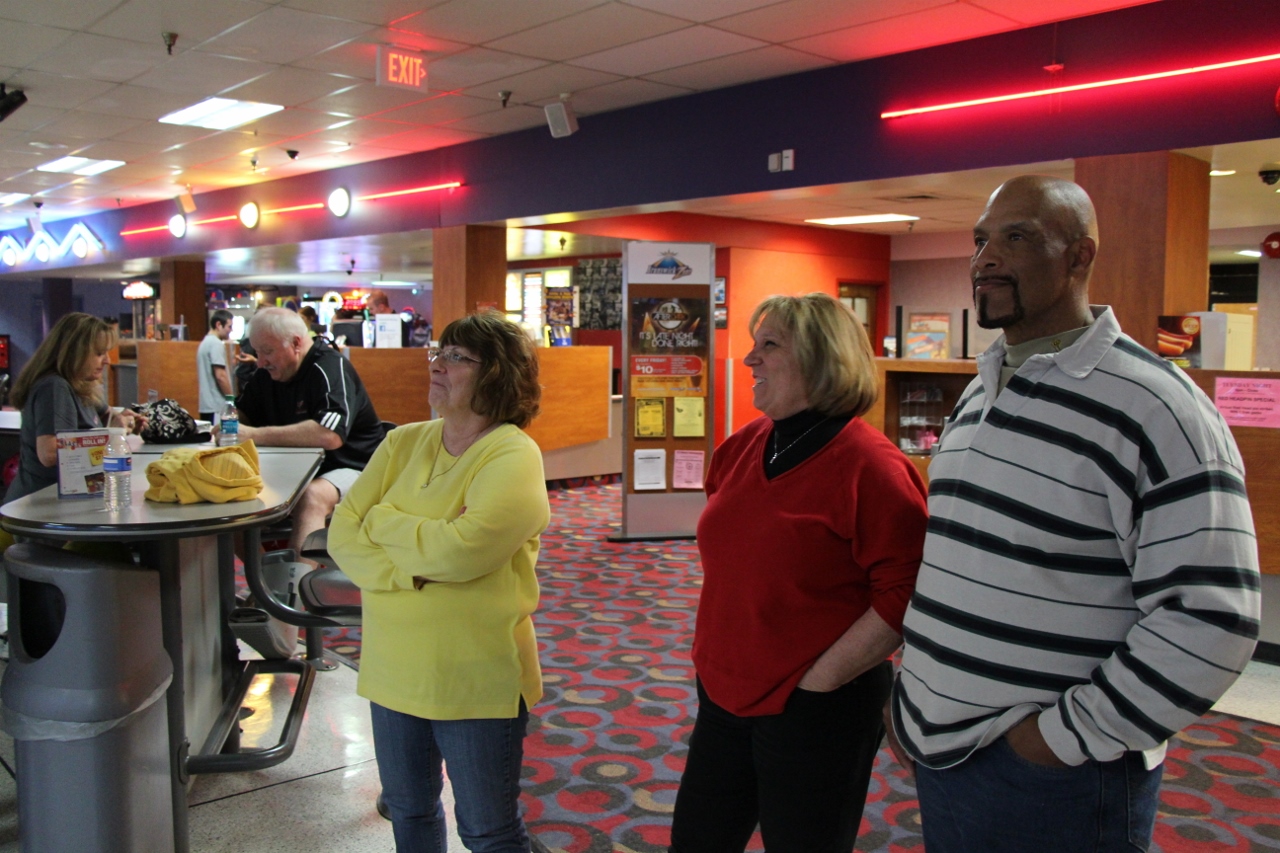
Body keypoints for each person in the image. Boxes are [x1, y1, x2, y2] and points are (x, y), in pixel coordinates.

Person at [888, 176, 1261, 853]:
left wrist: (1055, 741)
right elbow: (959, 562)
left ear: (1080, 257)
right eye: (980, 240)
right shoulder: (980, 394)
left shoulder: (1157, 407)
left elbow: (1213, 617)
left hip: (1056, 777)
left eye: (1017, 237)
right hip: (941, 750)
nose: (985, 259)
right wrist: (913, 691)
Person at [669, 293, 929, 853]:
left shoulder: (875, 469)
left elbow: (905, 592)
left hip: (816, 706)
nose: (749, 360)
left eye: (769, 345)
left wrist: (821, 680)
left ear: (819, 358)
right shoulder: (742, 446)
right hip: (723, 691)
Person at [327, 309, 549, 852]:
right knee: (409, 812)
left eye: (456, 357)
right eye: (438, 353)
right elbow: (343, 534)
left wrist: (382, 521)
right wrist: (409, 572)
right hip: (392, 671)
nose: (438, 365)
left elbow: (462, 550)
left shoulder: (512, 453)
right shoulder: (404, 442)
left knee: (488, 832)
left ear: (496, 374)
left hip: (475, 678)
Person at [233, 307, 384, 561]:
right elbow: (242, 414)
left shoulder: (329, 367)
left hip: (356, 466)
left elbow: (329, 435)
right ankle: (265, 583)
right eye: (257, 353)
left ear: (295, 343)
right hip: (298, 467)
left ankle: (294, 591)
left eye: (267, 351)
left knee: (312, 496)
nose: (260, 362)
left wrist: (253, 435)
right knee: (232, 490)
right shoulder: (265, 374)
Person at [5, 313, 146, 503]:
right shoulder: (55, 387)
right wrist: (115, 433)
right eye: (99, 354)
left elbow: (107, 416)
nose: (107, 361)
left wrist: (125, 420)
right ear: (74, 352)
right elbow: (49, 454)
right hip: (42, 507)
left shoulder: (80, 386)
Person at [197, 309, 234, 421]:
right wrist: (231, 400)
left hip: (206, 406)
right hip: (217, 407)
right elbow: (220, 376)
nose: (231, 330)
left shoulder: (205, 343)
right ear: (218, 325)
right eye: (229, 326)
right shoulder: (216, 344)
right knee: (223, 438)